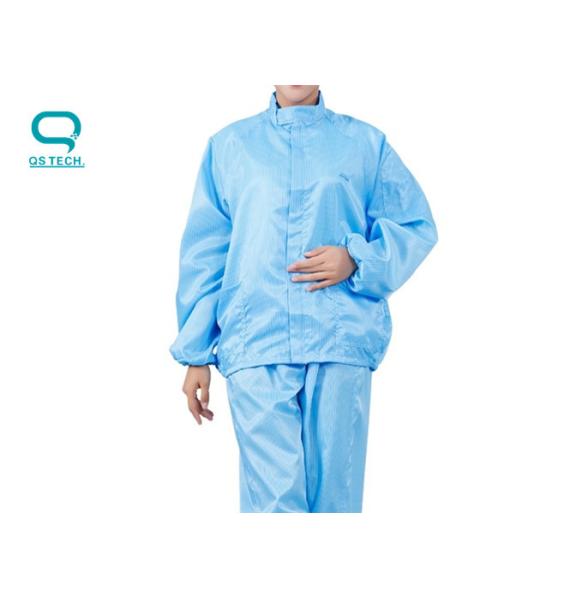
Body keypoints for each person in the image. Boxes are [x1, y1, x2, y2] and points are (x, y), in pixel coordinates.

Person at [170, 85, 438, 512]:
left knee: (335, 504)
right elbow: (207, 251)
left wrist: (356, 258)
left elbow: (415, 225)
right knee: (274, 504)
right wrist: (196, 352)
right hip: (256, 341)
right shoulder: (230, 147)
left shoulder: (364, 144)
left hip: (339, 340)